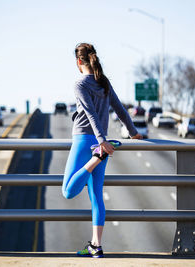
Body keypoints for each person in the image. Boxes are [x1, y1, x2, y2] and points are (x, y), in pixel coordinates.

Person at [62, 43, 143, 258]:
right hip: (101, 142)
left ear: (79, 62)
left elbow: (89, 113)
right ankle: (96, 246)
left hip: (85, 140)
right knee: (96, 196)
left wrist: (100, 145)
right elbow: (119, 108)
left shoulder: (79, 83)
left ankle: (96, 158)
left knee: (68, 191)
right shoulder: (103, 82)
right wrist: (133, 132)